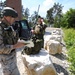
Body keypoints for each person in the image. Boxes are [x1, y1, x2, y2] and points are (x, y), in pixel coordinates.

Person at [0, 7, 26, 75]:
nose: (13, 19)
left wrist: (19, 33)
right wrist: (15, 46)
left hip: (13, 59)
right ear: (5, 16)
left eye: (14, 17)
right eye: (11, 17)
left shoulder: (9, 26)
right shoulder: (1, 28)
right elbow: (0, 48)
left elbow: (14, 39)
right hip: (6, 62)